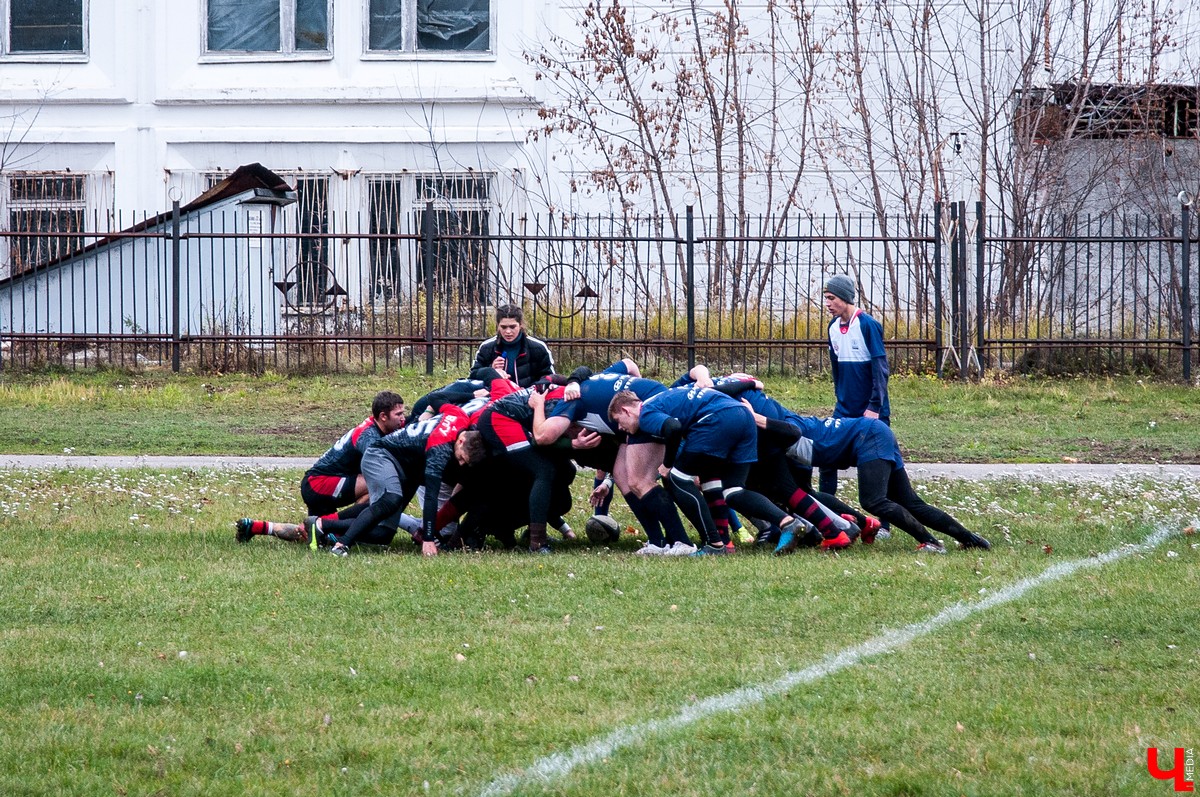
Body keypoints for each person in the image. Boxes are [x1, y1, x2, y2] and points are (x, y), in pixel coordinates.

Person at [608, 386, 803, 556]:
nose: (620, 427)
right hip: (743, 417)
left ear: (626, 410)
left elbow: (673, 428)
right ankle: (788, 523)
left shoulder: (646, 413)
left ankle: (715, 544)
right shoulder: (664, 399)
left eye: (618, 421)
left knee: (677, 478)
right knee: (734, 491)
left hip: (717, 419)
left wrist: (667, 465)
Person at [767, 414, 991, 554]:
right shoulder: (785, 433)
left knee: (873, 500)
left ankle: (931, 542)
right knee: (910, 502)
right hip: (874, 432)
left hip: (870, 435)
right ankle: (970, 539)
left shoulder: (786, 426)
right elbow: (807, 492)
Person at [234, 390, 408, 545]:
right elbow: (381, 467)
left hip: (321, 484)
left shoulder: (375, 427)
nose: (403, 418)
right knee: (380, 486)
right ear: (383, 417)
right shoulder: (368, 436)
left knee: (312, 534)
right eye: (398, 414)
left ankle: (258, 527)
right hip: (318, 483)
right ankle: (342, 525)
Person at [328, 406, 488, 557]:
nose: (460, 463)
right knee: (390, 499)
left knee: (382, 533)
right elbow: (431, 496)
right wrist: (428, 538)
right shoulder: (440, 449)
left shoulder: (459, 416)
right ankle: (341, 544)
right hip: (381, 454)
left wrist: (470, 394)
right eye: (461, 458)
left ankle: (322, 525)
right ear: (461, 441)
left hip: (403, 466)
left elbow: (438, 398)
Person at [821, 274, 891, 539]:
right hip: (845, 409)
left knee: (878, 466)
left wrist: (874, 405)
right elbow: (837, 368)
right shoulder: (831, 328)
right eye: (826, 299)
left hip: (871, 411)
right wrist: (841, 397)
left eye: (832, 298)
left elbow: (880, 369)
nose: (828, 304)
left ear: (846, 298)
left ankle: (884, 524)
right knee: (827, 458)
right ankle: (827, 518)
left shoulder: (867, 324)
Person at [470, 304, 554, 388]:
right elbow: (473, 376)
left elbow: (550, 378)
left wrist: (531, 390)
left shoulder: (538, 348)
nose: (508, 331)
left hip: (529, 397)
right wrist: (491, 370)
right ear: (498, 325)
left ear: (520, 325)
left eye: (512, 327)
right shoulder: (486, 347)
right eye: (503, 327)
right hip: (495, 396)